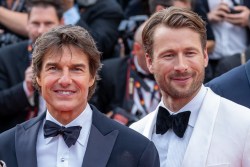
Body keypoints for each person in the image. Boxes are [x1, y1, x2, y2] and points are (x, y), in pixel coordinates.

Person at [0, 25, 160, 167]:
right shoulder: (5, 146)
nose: (64, 80)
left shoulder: (136, 150)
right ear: (38, 77)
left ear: (91, 77)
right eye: (53, 68)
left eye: (76, 69)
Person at [130, 7, 250, 167]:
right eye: (169, 55)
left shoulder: (244, 124)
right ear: (150, 62)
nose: (181, 66)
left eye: (190, 53)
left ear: (205, 56)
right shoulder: (135, 133)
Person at [0, 0, 64, 132]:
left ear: (61, 23)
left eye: (48, 24)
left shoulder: (74, 58)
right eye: (35, 23)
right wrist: (25, 88)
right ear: (27, 24)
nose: (41, 30)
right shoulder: (5, 56)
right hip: (15, 137)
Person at [91, 22, 161, 126]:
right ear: (137, 49)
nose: (162, 57)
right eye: (155, 51)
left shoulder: (175, 72)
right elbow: (91, 114)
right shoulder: (110, 72)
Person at [200, 0, 250, 78]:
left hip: (242, 60)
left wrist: (248, 19)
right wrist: (206, 18)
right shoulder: (198, 2)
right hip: (209, 64)